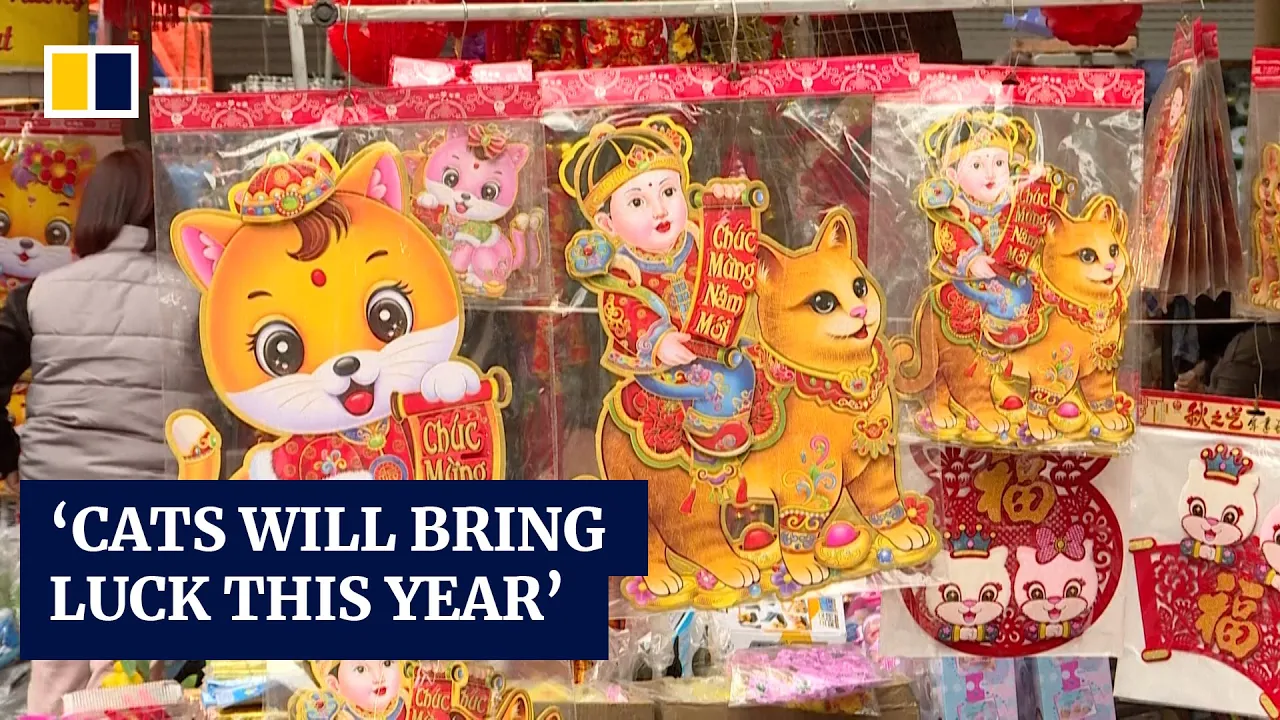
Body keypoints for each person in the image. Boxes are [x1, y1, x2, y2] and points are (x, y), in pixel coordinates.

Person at [2, 146, 209, 714]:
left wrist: (11, 459)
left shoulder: (38, 296)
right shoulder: (197, 297)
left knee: (56, 683)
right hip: (159, 517)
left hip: (57, 510)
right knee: (133, 685)